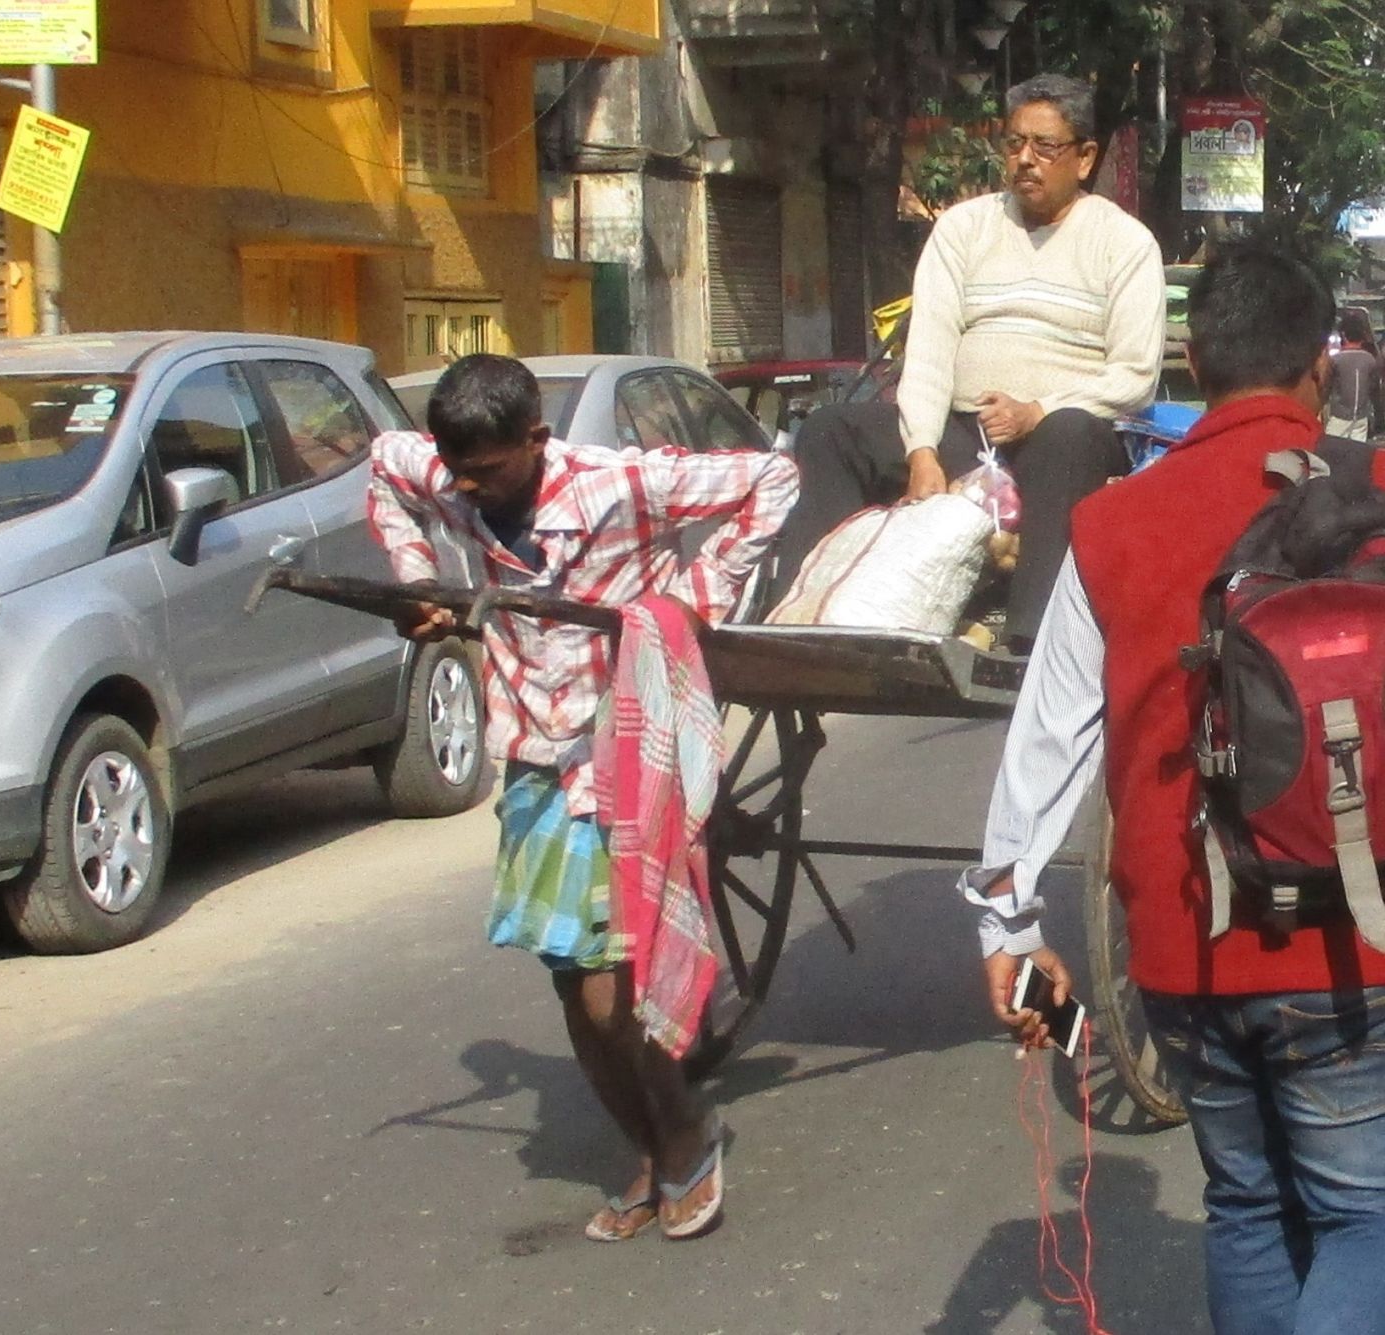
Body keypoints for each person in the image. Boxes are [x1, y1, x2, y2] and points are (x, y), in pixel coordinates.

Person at [960, 244, 1385, 1334]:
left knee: (1244, 1204)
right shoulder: (1375, 498)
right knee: (1360, 1217)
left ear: (1193, 360)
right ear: (1318, 369)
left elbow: (1046, 741)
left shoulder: (1112, 524)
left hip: (1182, 949)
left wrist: (1005, 922)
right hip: (1353, 943)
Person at [367, 354, 799, 1241]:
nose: (468, 487)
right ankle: (644, 1145)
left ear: (535, 439)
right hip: (529, 745)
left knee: (607, 989)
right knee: (571, 983)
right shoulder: (444, 469)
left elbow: (771, 474)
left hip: (621, 744)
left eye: (487, 470)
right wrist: (417, 576)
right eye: (458, 470)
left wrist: (683, 606)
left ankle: (686, 1127)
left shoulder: (622, 484)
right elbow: (383, 463)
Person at [773, 73, 1165, 652]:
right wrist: (922, 450)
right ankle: (798, 621)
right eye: (1014, 144)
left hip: (1060, 443)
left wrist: (1039, 410)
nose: (1025, 160)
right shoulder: (963, 229)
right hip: (963, 434)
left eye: (1045, 147)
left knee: (1072, 431)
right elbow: (929, 349)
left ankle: (1029, 639)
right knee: (832, 430)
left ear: (1085, 158)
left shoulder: (1125, 244)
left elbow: (1134, 375)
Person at [1326, 306, 1383, 442]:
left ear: (1343, 335)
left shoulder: (1335, 360)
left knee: (1331, 454)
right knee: (1357, 454)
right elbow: (1375, 389)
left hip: (1339, 417)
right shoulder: (1370, 359)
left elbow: (1325, 387)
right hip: (1361, 418)